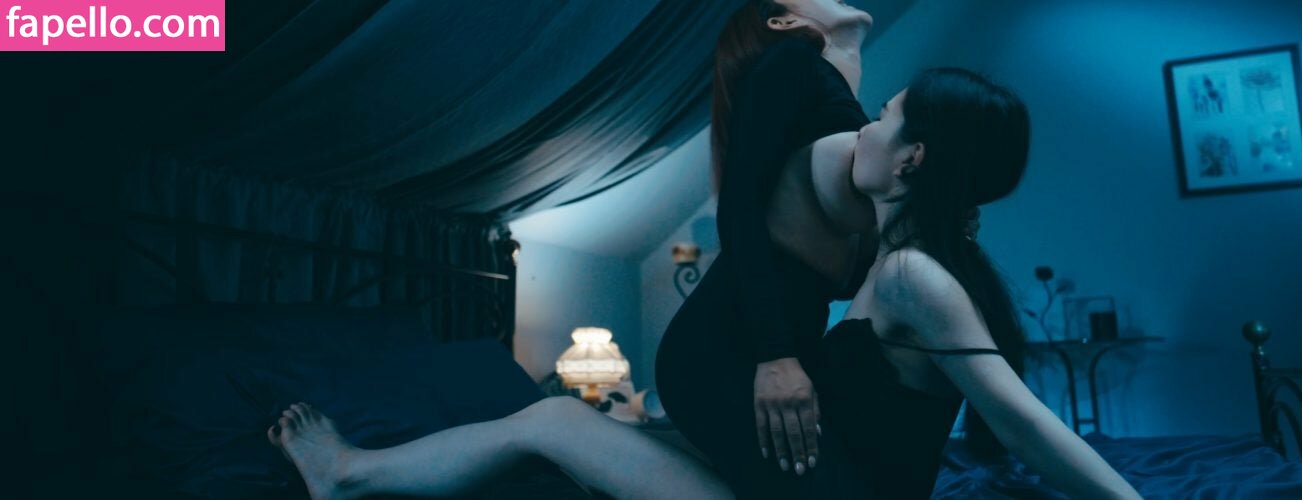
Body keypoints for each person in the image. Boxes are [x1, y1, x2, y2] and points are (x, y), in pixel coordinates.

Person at [268, 67, 1141, 500]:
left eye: (884, 118)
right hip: (804, 483)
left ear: (910, 159)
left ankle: (347, 473)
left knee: (553, 423)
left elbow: (1021, 418)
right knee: (557, 419)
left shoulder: (914, 273)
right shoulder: (891, 254)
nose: (865, 128)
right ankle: (354, 473)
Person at [654, 0, 878, 496]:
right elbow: (738, 204)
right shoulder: (791, 60)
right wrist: (775, 355)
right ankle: (561, 429)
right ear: (784, 22)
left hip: (775, 349)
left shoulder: (829, 95)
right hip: (728, 351)